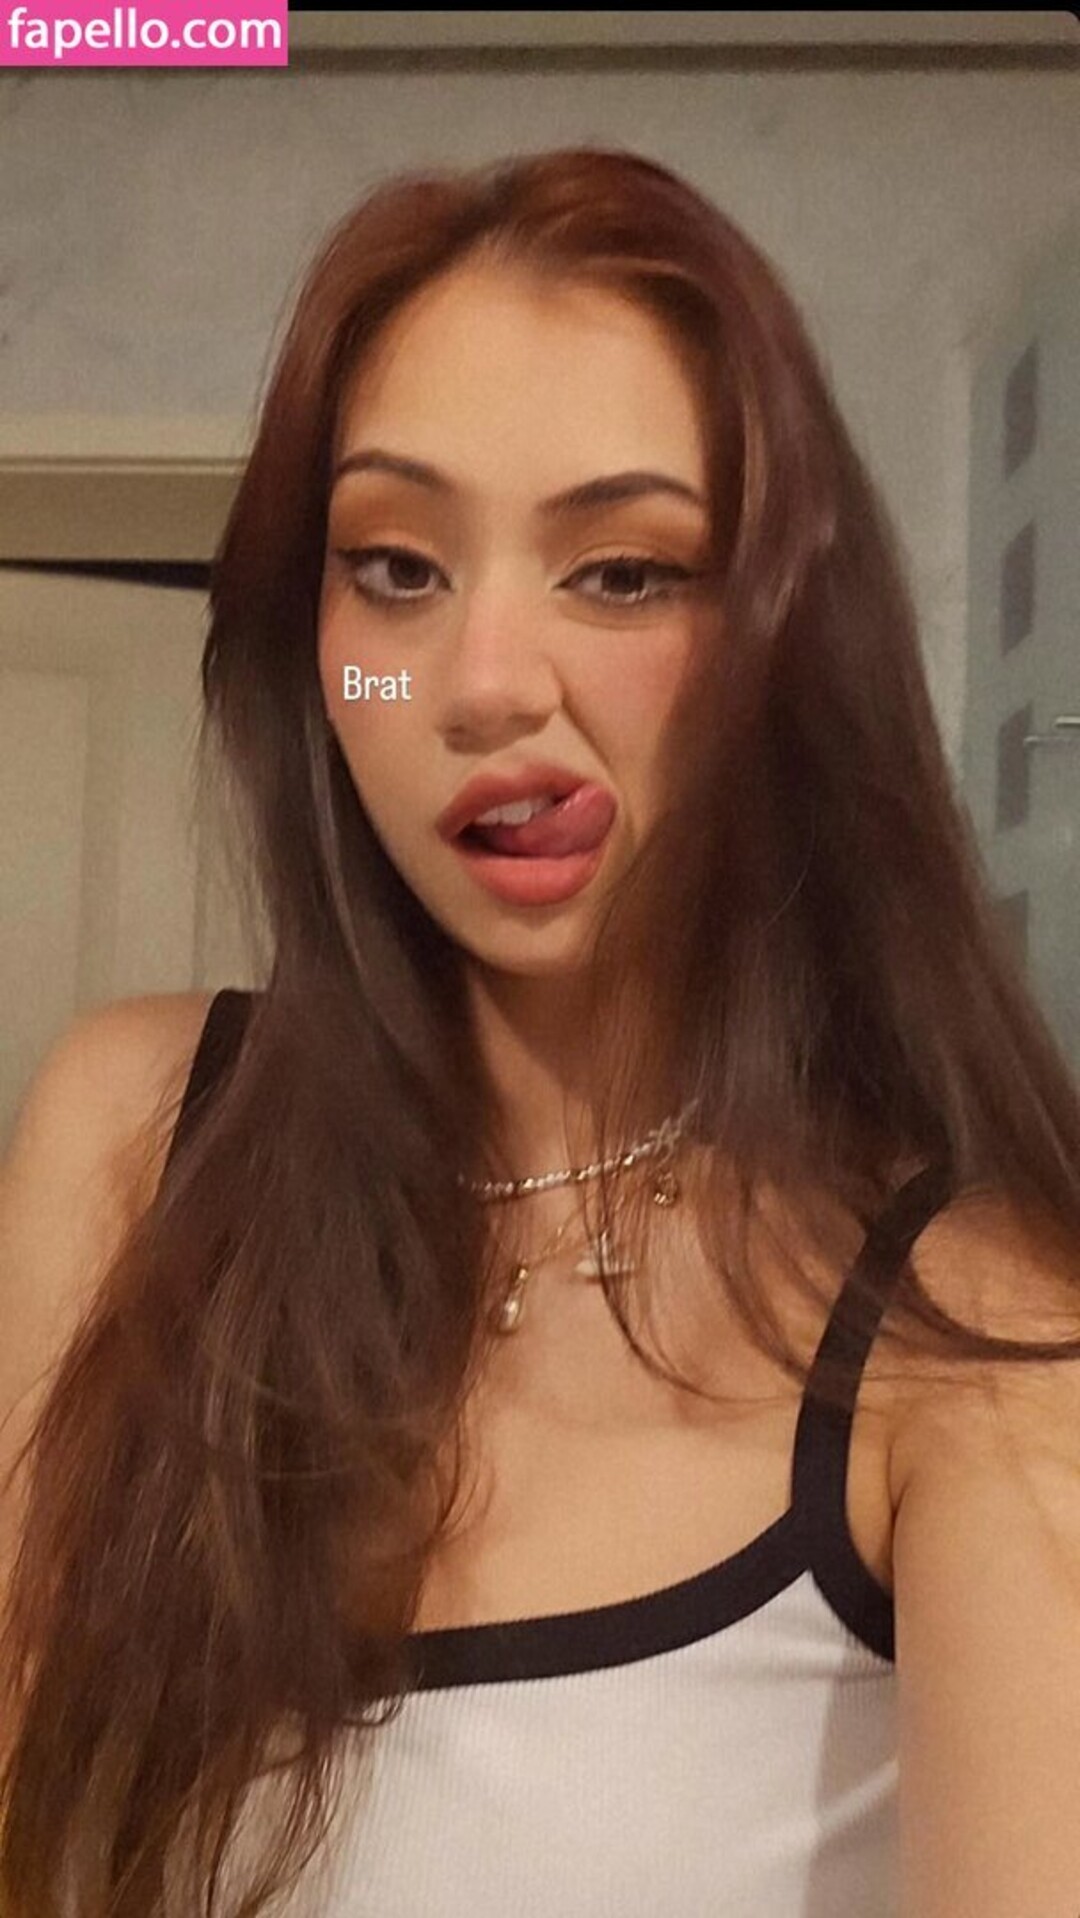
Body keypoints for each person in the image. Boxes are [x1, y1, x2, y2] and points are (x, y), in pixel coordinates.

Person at [1, 145, 1079, 1918]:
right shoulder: (133, 1136)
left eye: (626, 573)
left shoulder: (981, 1344)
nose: (485, 682)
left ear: (784, 642)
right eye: (395, 568)